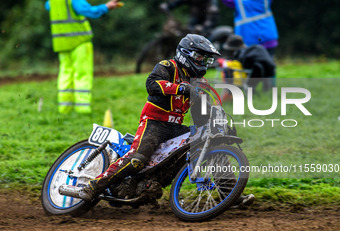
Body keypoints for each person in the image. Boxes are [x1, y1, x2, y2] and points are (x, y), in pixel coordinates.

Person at [78, 34, 254, 208]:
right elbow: (152, 84)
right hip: (154, 122)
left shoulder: (200, 81)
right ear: (186, 54)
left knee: (211, 143)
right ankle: (94, 186)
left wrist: (216, 123)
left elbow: (201, 115)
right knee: (138, 159)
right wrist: (181, 88)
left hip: (175, 127)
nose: (202, 62)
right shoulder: (168, 66)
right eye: (199, 57)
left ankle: (230, 194)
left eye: (206, 59)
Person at [45, 0, 121, 114]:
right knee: (82, 74)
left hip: (62, 43)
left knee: (65, 75)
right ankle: (82, 109)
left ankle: (65, 108)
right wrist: (106, 7)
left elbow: (48, 7)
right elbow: (88, 11)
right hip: (79, 41)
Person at [220, 34, 276, 101]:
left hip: (259, 68)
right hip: (270, 68)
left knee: (248, 84)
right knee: (258, 87)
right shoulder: (251, 49)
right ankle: (260, 97)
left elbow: (242, 64)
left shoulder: (242, 53)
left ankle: (248, 97)